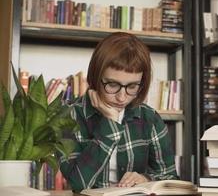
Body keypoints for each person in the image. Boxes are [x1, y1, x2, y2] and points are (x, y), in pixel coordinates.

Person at [59, 32, 178, 193]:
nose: (122, 97)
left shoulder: (149, 117)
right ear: (96, 76)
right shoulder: (69, 116)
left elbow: (170, 179)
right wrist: (111, 124)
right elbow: (78, 184)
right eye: (113, 85)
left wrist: (146, 179)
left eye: (132, 86)